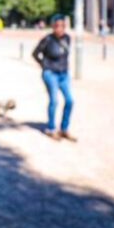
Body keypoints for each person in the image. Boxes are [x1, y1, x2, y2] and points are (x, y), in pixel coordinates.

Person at [32, 14, 76, 142]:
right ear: (53, 26)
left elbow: (65, 55)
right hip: (51, 73)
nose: (60, 28)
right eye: (57, 26)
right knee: (54, 100)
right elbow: (35, 53)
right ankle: (51, 128)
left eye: (62, 26)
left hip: (63, 74)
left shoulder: (67, 38)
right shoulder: (47, 39)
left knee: (69, 100)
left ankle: (64, 128)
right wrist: (44, 65)